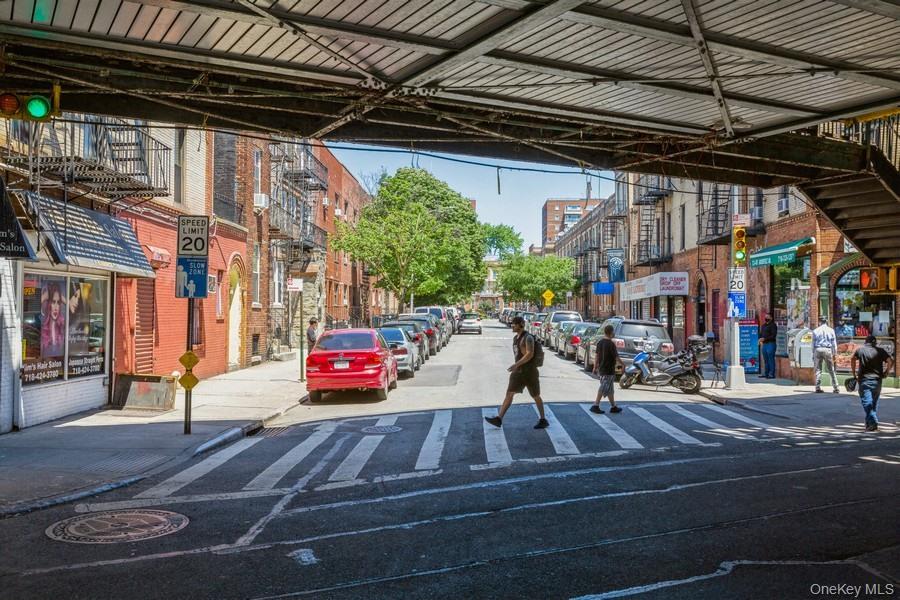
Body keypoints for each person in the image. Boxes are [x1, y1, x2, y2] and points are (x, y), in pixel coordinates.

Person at [484, 315, 548, 429]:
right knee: (509, 393)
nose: (512, 325)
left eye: (514, 324)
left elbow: (530, 354)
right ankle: (499, 419)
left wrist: (516, 364)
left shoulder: (527, 338)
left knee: (536, 395)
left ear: (521, 325)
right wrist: (517, 366)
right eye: (512, 323)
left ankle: (543, 420)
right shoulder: (516, 338)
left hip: (529, 372)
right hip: (518, 372)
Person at [850, 336, 894, 431]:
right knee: (873, 403)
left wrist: (854, 373)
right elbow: (890, 361)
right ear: (875, 343)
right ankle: (868, 423)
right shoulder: (880, 351)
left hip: (864, 380)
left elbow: (852, 359)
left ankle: (873, 423)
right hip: (877, 380)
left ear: (866, 342)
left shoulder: (860, 350)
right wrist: (886, 372)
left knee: (867, 402)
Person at [591, 324, 624, 414]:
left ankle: (613, 407)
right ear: (610, 333)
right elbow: (616, 357)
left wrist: (595, 367)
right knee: (604, 387)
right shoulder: (611, 344)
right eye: (613, 332)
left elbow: (597, 355)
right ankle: (595, 405)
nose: (614, 334)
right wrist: (623, 365)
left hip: (601, 369)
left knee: (610, 389)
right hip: (608, 370)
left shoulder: (600, 342)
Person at [812, 316, 839, 393]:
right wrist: (834, 353)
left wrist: (813, 352)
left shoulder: (815, 331)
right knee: (831, 369)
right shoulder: (831, 330)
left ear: (820, 321)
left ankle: (817, 387)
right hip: (827, 349)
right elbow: (834, 343)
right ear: (826, 321)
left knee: (818, 369)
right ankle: (836, 387)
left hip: (818, 349)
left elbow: (813, 343)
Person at [758, 314, 777, 379]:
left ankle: (771, 374)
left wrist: (765, 339)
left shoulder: (773, 325)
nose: (766, 318)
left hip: (771, 344)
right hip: (764, 344)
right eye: (765, 317)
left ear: (771, 318)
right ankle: (766, 374)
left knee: (771, 359)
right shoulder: (763, 326)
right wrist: (760, 339)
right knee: (765, 360)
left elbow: (773, 335)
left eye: (768, 317)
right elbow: (761, 334)